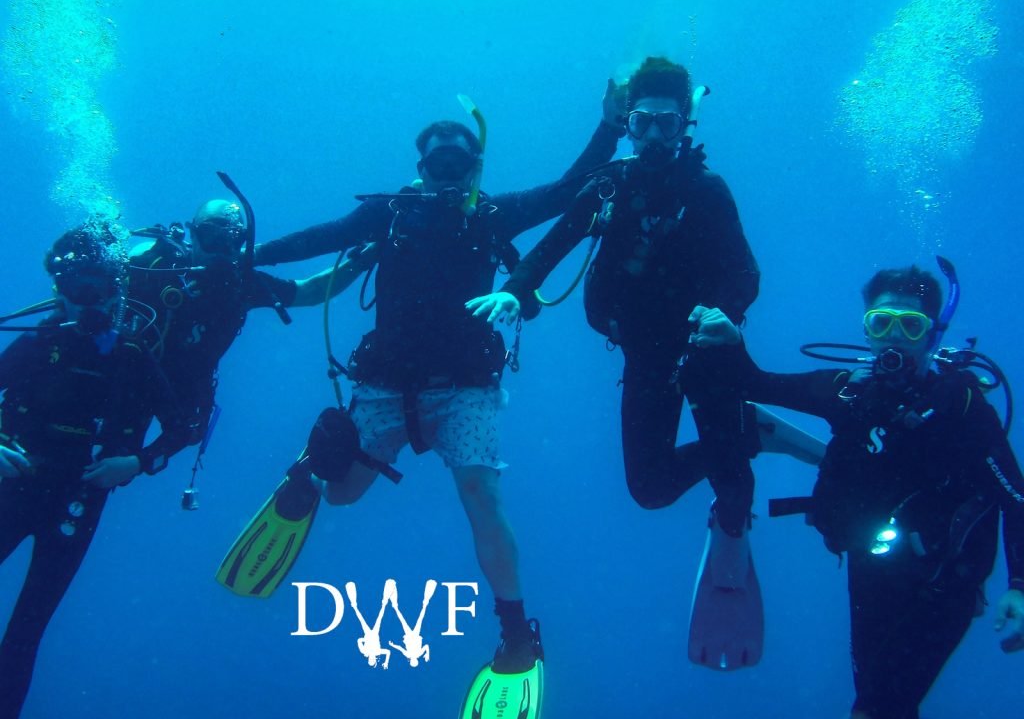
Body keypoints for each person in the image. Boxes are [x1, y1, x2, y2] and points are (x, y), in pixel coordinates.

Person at [238, 90, 623, 682]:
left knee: (482, 495)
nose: (445, 173)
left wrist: (609, 124)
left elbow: (568, 188)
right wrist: (251, 254)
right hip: (387, 382)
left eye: (457, 164)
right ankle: (312, 466)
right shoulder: (388, 214)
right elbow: (321, 237)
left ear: (474, 168)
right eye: (435, 164)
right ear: (420, 168)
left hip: (466, 383)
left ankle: (516, 631)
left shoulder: (491, 214)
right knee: (340, 496)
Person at [469, 57, 762, 667]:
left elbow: (744, 272)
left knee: (733, 490)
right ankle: (753, 434)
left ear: (685, 125)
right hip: (646, 357)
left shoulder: (706, 191)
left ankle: (735, 495)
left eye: (666, 124)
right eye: (643, 123)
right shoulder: (608, 185)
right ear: (628, 124)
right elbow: (549, 249)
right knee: (650, 490)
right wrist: (513, 291)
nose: (654, 137)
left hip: (705, 354)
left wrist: (727, 314)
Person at [699, 264, 1024, 718]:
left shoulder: (961, 405)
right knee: (877, 701)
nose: (894, 337)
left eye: (910, 325)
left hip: (944, 581)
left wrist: (1019, 586)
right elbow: (757, 383)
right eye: (881, 323)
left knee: (875, 709)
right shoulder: (849, 392)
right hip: (872, 565)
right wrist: (733, 341)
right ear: (866, 330)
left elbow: (1015, 495)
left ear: (932, 335)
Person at [0, 226, 189, 719]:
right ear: (58, 292)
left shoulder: (130, 355)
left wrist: (137, 462)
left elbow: (180, 427)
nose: (90, 304)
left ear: (116, 293)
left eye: (100, 291)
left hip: (77, 502)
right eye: (78, 290)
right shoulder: (35, 346)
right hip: (15, 488)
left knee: (27, 629)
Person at [126, 198, 364, 459]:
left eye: (231, 240)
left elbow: (311, 291)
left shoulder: (242, 287)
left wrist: (363, 260)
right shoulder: (155, 268)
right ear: (192, 235)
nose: (220, 250)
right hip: (122, 380)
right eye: (211, 237)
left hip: (178, 392)